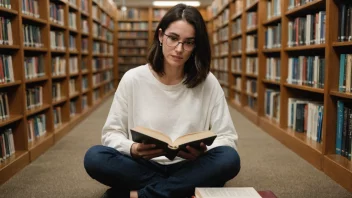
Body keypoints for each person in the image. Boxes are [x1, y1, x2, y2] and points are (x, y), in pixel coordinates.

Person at [83, 3, 241, 198]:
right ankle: (179, 189)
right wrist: (133, 149)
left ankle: (139, 195)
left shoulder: (208, 82)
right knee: (95, 157)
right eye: (173, 39)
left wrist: (204, 151)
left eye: (188, 42)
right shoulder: (133, 78)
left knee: (229, 159)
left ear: (195, 46)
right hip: (143, 165)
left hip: (190, 165)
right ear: (160, 36)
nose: (179, 49)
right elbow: (111, 134)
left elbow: (227, 138)